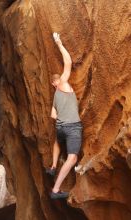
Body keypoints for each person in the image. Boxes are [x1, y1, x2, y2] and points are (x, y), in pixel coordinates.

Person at [46, 32, 83, 199]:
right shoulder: (62, 83)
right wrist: (59, 43)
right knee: (73, 158)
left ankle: (53, 166)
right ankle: (55, 190)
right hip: (72, 126)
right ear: (57, 81)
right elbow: (68, 62)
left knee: (58, 141)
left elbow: (53, 115)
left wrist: (63, 116)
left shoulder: (55, 96)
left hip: (60, 127)